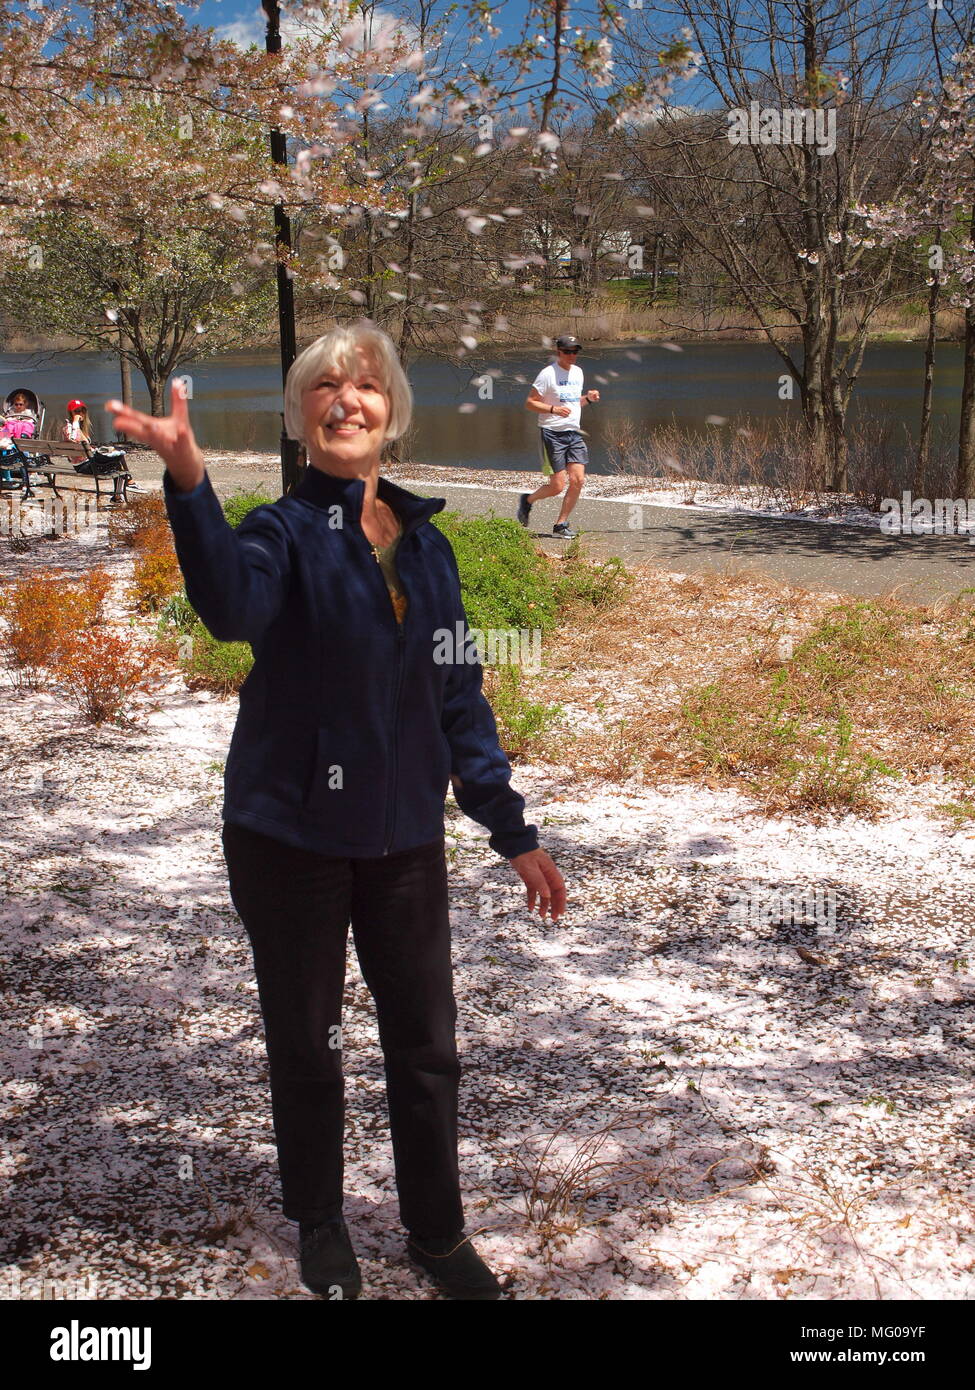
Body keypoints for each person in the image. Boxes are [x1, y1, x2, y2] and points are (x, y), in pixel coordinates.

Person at [104, 320, 566, 1302]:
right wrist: (188, 478)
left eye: (365, 385)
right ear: (301, 414)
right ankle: (319, 1221)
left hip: (403, 842)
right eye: (325, 386)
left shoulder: (428, 549)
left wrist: (510, 829)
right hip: (290, 836)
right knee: (308, 1041)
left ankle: (436, 1234)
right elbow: (231, 608)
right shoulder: (280, 534)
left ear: (391, 411)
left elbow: (459, 699)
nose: (347, 399)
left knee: (426, 1044)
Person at [517, 334, 600, 540]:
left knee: (578, 480)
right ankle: (527, 500)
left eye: (575, 351)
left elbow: (572, 403)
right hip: (551, 434)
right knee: (557, 486)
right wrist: (553, 409)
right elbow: (530, 403)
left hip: (574, 433)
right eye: (568, 352)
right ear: (558, 352)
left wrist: (588, 399)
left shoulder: (578, 372)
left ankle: (561, 524)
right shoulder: (547, 374)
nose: (572, 355)